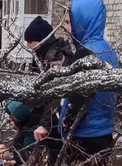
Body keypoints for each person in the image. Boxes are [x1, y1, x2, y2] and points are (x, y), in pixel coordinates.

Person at [35, 0, 119, 164]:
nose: (66, 28)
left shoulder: (85, 54)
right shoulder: (109, 52)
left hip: (83, 137)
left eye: (68, 22)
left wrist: (60, 130)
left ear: (83, 21)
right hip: (104, 134)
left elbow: (75, 101)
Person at [24, 16, 74, 165]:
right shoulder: (41, 55)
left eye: (30, 41)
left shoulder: (56, 58)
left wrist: (45, 124)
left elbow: (56, 96)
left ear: (41, 40)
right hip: (45, 115)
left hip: (56, 119)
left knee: (55, 154)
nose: (27, 45)